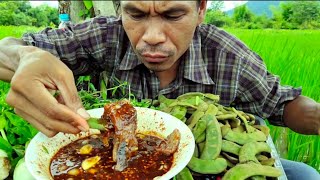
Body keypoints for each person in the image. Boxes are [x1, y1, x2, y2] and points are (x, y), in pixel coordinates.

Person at [0, 1, 319, 179]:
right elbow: (6, 50)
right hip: (106, 161)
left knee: (305, 175)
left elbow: (282, 104)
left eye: (173, 14)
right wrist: (25, 57)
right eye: (135, 14)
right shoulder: (102, 37)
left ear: (201, 9)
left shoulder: (227, 56)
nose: (151, 36)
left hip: (198, 169)